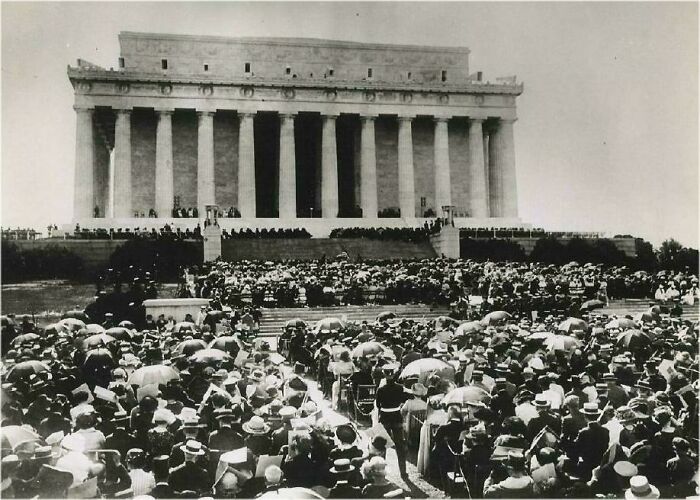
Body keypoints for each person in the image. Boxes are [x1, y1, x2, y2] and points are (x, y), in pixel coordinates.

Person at [374, 362, 410, 477]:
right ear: (394, 374)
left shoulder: (381, 389)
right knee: (400, 445)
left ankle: (381, 471)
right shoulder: (400, 388)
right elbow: (404, 399)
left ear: (384, 375)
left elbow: (378, 405)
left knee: (383, 444)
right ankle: (403, 472)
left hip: (385, 417)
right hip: (396, 417)